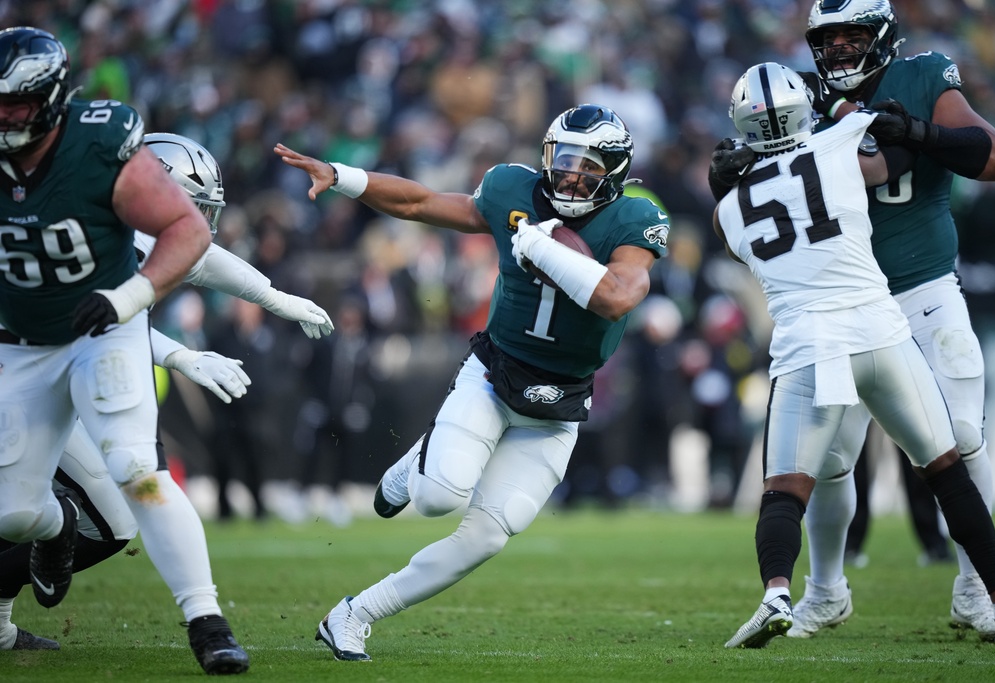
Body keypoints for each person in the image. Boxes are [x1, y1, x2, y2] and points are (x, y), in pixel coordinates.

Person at [275, 102, 670, 661]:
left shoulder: (634, 218)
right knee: (438, 498)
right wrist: (342, 176)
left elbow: (616, 297)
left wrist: (542, 248)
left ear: (616, 170)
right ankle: (419, 462)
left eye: (587, 166)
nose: (570, 176)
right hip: (493, 374)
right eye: (563, 160)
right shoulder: (513, 189)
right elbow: (420, 202)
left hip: (559, 406)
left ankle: (353, 614)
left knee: (487, 534)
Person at [708, 0, 995, 640]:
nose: (840, 50)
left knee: (960, 436)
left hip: (924, 288)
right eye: (829, 39)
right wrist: (738, 172)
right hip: (842, 309)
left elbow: (994, 158)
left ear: (882, 36)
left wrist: (922, 134)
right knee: (832, 463)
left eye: (853, 36)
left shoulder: (926, 75)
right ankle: (825, 591)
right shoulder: (804, 104)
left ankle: (975, 591)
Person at [0, 129, 335, 655]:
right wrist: (182, 355)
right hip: (19, 370)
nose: (201, 222)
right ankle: (56, 524)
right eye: (192, 206)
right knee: (19, 514)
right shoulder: (91, 227)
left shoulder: (151, 230)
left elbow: (203, 258)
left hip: (74, 374)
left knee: (115, 522)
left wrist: (275, 297)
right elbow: (92, 318)